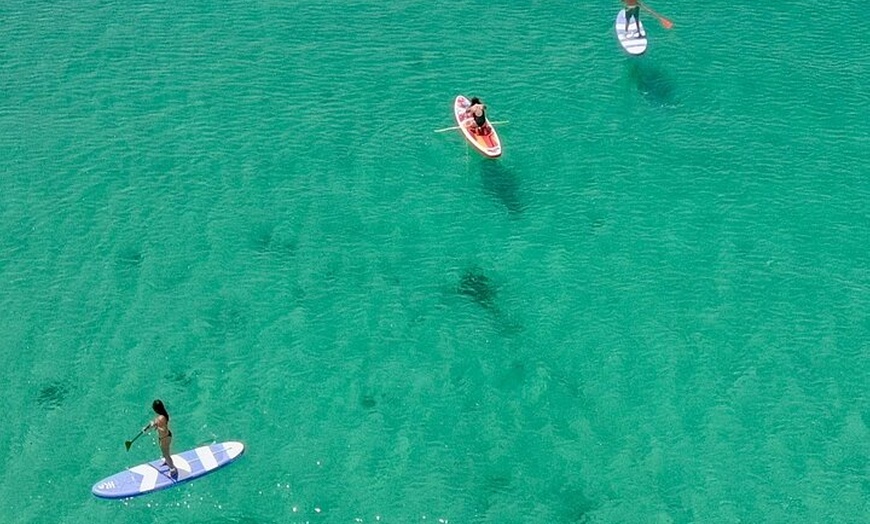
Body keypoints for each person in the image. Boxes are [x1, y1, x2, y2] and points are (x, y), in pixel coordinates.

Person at [143, 399, 176, 477]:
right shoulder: (160, 416)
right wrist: (147, 428)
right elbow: (155, 423)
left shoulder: (161, 418)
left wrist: (156, 426)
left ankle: (172, 469)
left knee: (166, 454)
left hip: (165, 438)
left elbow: (163, 430)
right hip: (163, 438)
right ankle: (167, 462)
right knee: (164, 452)